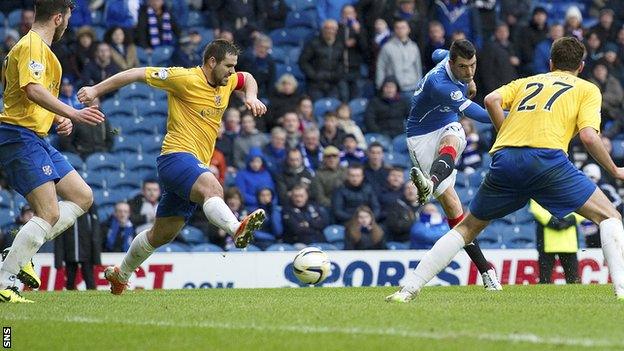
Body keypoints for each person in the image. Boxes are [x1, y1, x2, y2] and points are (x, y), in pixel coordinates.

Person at [387, 37, 624, 303]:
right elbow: (590, 137)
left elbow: (491, 99)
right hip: (547, 160)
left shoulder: (527, 82)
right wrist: (614, 169)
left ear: (550, 63)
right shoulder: (587, 89)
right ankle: (622, 290)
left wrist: (506, 131)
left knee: (467, 228)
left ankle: (408, 289)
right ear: (581, 66)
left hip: (506, 159)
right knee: (609, 216)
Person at [77, 39, 268, 295]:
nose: (233, 72)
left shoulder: (228, 80)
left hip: (193, 166)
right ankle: (236, 229)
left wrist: (251, 96)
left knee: (161, 235)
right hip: (175, 157)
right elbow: (136, 73)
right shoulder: (183, 78)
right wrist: (95, 90)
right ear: (212, 62)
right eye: (228, 66)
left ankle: (120, 274)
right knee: (213, 187)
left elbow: (248, 78)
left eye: (234, 67)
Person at [0, 0, 105, 304]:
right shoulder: (32, 45)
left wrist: (57, 117)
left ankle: (20, 250)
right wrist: (72, 114)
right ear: (58, 17)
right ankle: (5, 279)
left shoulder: (48, 56)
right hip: (18, 135)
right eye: (68, 19)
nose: (68, 25)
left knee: (83, 197)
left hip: (36, 136)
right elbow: (33, 89)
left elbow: (28, 95)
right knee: (49, 212)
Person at [404, 40, 501, 291]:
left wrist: (469, 81)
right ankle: (485, 268)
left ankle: (429, 183)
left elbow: (437, 51)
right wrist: (512, 119)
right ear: (451, 64)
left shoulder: (448, 57)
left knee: (454, 137)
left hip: (446, 123)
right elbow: (478, 114)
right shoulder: (440, 84)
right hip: (420, 136)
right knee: (454, 207)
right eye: (463, 67)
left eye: (473, 65)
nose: (469, 71)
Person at [529, 200, 581, 284]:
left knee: (546, 279)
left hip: (559, 242)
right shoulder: (574, 188)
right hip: (563, 242)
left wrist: (553, 221)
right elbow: (585, 207)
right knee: (572, 279)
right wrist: (569, 220)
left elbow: (536, 208)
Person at [54, 205, 101, 290]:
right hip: (69, 252)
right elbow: (59, 236)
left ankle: (93, 299)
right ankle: (70, 300)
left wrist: (96, 257)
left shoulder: (89, 205)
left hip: (87, 252)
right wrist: (58, 260)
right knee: (70, 281)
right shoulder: (65, 207)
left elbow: (96, 231)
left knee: (90, 281)